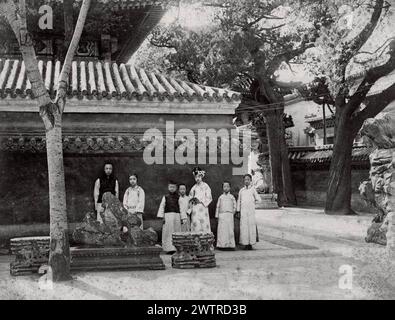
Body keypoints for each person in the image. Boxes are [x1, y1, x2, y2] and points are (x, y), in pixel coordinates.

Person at [157, 181, 186, 253]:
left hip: (176, 216)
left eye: (173, 187)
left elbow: (182, 208)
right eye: (170, 187)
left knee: (176, 232)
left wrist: (183, 217)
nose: (172, 188)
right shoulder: (165, 197)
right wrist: (162, 216)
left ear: (176, 188)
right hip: (168, 216)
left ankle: (176, 248)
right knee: (168, 232)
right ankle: (168, 248)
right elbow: (162, 207)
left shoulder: (179, 197)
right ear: (168, 187)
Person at [236, 174, 260, 250]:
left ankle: (251, 243)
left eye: (248, 179)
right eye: (245, 180)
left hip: (251, 212)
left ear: (250, 181)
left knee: (251, 227)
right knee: (244, 227)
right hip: (243, 212)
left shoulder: (253, 190)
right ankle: (245, 244)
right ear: (243, 181)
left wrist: (253, 203)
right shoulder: (241, 191)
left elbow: (258, 199)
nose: (246, 181)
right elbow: (239, 201)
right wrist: (238, 210)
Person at [189, 167, 212, 233]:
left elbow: (209, 197)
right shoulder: (194, 187)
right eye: (196, 177)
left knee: (204, 224)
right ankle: (195, 241)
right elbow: (190, 198)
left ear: (202, 176)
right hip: (195, 208)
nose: (197, 178)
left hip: (203, 207)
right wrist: (192, 200)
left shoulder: (206, 186)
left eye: (199, 176)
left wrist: (201, 201)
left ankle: (205, 241)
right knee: (196, 223)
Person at [215, 181, 237, 250]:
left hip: (229, 215)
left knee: (230, 230)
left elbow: (235, 205)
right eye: (224, 186)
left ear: (230, 188)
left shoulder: (231, 197)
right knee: (222, 231)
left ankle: (230, 245)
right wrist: (217, 215)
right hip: (222, 215)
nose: (226, 188)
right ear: (222, 188)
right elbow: (217, 206)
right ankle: (222, 245)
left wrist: (232, 212)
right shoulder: (221, 197)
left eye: (227, 186)